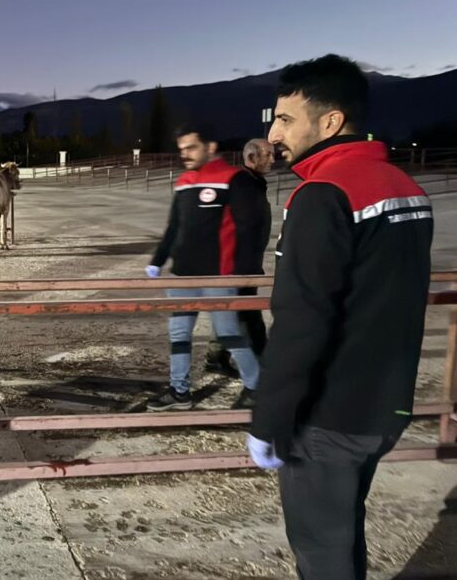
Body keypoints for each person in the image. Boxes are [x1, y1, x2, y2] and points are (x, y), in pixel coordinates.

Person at [248, 54, 433, 579]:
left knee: (321, 551)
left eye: (285, 119)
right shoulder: (407, 188)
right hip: (388, 406)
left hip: (329, 418)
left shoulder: (323, 194)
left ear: (330, 122)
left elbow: (302, 320)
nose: (273, 131)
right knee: (343, 530)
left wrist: (270, 420)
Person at [145, 123, 265, 411]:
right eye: (181, 149)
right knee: (178, 333)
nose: (185, 154)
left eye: (191, 148)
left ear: (210, 147)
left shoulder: (233, 179)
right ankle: (179, 392)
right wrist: (158, 260)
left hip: (217, 276)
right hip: (181, 275)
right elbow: (174, 226)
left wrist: (245, 270)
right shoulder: (184, 181)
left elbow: (248, 228)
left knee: (228, 333)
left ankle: (256, 387)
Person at [206, 138, 274, 373]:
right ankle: (262, 365)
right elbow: (239, 227)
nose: (273, 160)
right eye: (268, 155)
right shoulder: (244, 185)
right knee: (248, 315)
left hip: (243, 263)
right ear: (251, 158)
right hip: (239, 265)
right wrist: (242, 266)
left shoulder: (253, 183)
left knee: (230, 310)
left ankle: (215, 356)